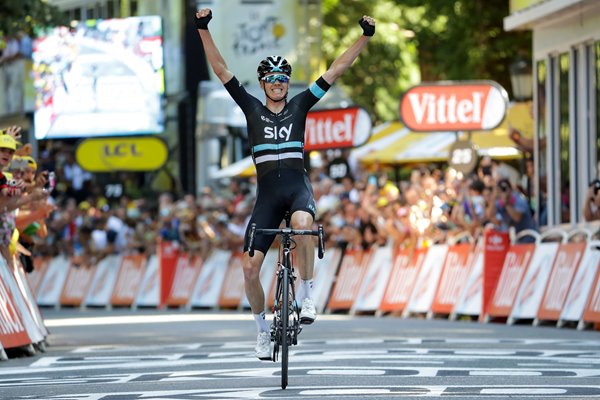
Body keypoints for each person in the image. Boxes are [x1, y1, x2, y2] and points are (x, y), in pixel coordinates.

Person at [194, 8, 375, 360]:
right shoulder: (250, 109)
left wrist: (364, 37)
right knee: (249, 268)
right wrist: (202, 29)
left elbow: (336, 70)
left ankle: (307, 295)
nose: (278, 83)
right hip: (267, 198)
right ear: (262, 83)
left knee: (304, 225)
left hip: (297, 190)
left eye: (283, 78)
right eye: (272, 78)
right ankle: (262, 332)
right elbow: (220, 70)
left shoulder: (300, 106)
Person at [486, 178, 537, 243]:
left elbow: (517, 218)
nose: (503, 192)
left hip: (528, 238)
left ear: (511, 189)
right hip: (513, 239)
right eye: (500, 190)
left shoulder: (519, 199)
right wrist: (493, 198)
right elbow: (490, 215)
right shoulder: (499, 202)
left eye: (505, 189)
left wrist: (506, 203)